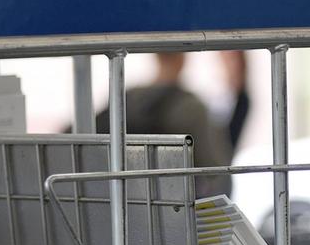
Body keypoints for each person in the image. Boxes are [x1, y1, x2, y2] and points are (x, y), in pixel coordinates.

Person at [94, 52, 243, 197]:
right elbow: (216, 171)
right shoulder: (191, 108)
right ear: (182, 59)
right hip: (175, 207)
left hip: (127, 201)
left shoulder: (126, 99)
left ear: (156, 56)